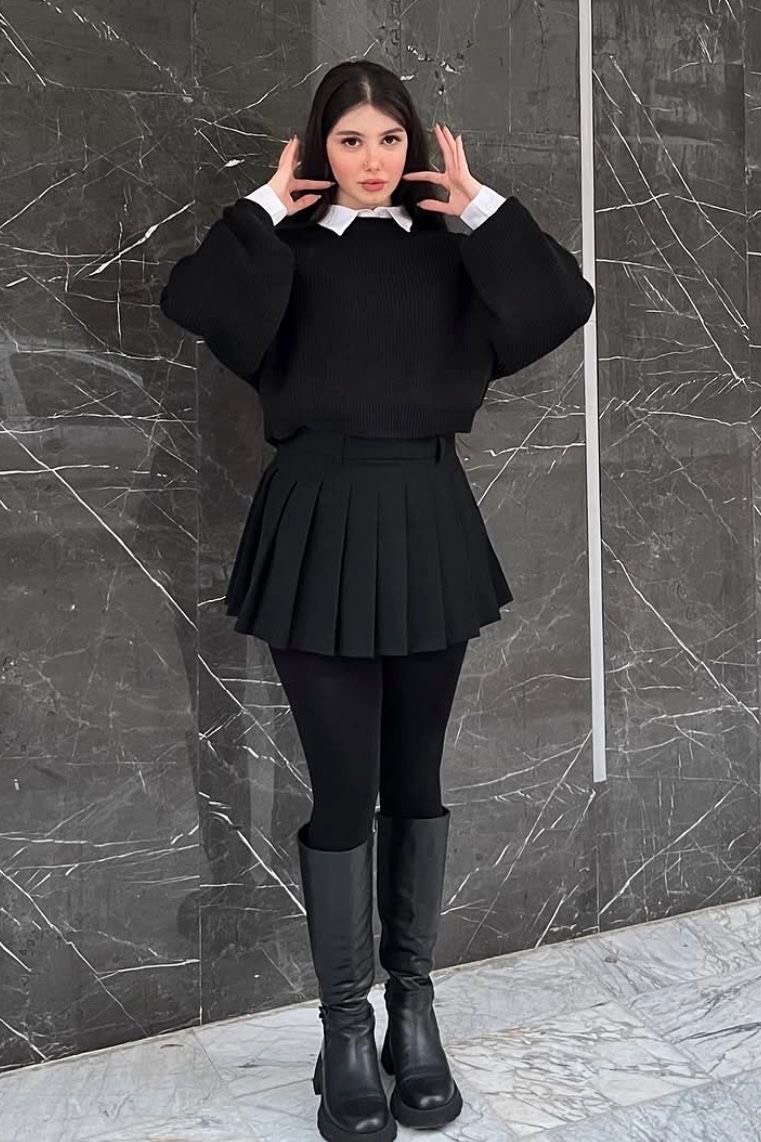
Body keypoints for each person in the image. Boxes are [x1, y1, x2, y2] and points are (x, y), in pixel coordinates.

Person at [159, 59, 595, 1142]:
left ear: (415, 147)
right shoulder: (287, 252)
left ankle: (413, 1013)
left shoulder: (451, 251)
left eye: (389, 139)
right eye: (349, 140)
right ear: (319, 149)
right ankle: (344, 1029)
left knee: (416, 780)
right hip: (315, 520)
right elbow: (193, 301)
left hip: (427, 518)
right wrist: (264, 205)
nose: (371, 159)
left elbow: (560, 304)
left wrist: (480, 206)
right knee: (343, 790)